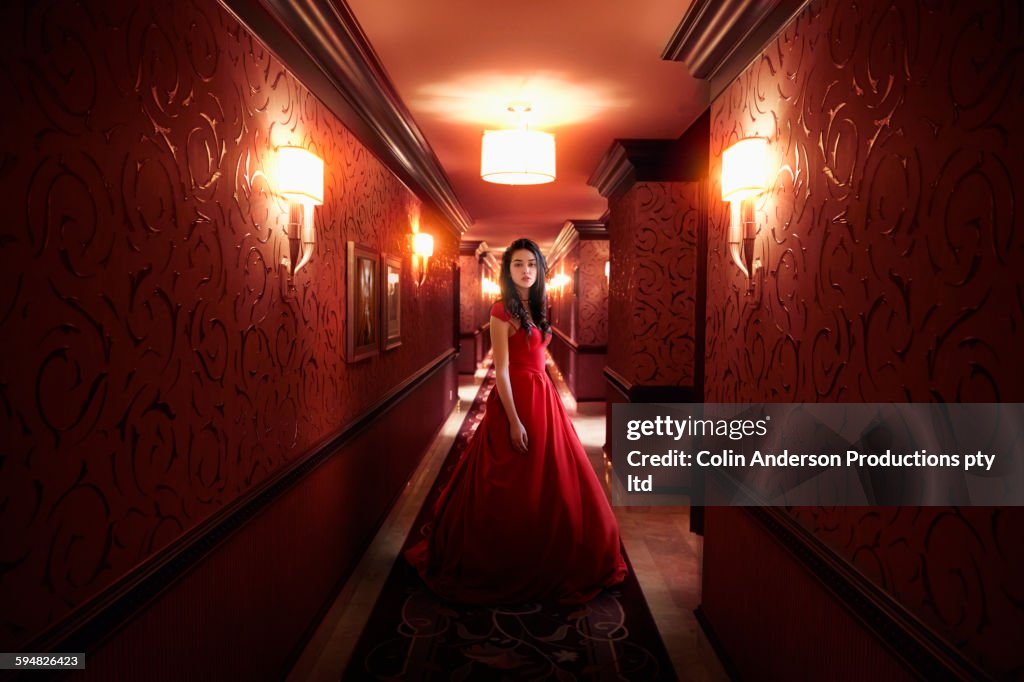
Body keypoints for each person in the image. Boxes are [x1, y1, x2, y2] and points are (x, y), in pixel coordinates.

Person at [404, 238, 628, 605]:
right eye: (517, 264)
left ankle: (552, 554)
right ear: (508, 271)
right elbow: (502, 371)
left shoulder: (538, 308)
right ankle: (504, 559)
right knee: (509, 479)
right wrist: (513, 420)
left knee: (554, 475)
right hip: (516, 400)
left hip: (543, 397)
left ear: (539, 270)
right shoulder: (500, 311)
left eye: (531, 264)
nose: (525, 270)